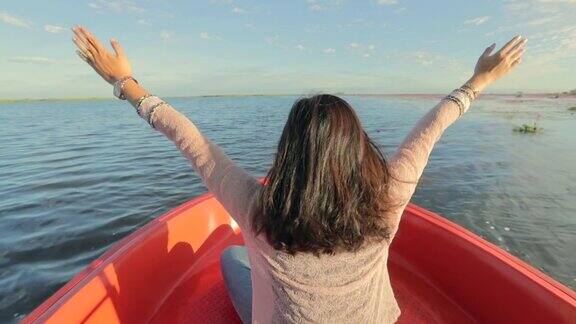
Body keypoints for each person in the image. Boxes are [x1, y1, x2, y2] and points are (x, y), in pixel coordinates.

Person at [71, 26, 526, 323]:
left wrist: (124, 82)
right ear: (357, 147)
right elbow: (434, 126)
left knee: (231, 259)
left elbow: (188, 138)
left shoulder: (256, 208)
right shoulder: (387, 197)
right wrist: (479, 80)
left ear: (289, 152)